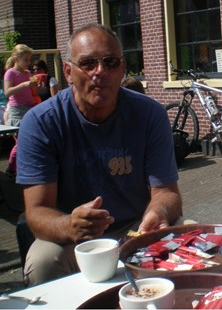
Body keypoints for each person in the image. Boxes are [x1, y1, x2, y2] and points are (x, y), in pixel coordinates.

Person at [16, 23, 184, 286]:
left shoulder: (150, 115)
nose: (100, 72)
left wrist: (158, 212)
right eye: (88, 63)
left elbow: (167, 191)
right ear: (68, 72)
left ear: (122, 68)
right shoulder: (41, 122)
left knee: (188, 239)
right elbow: (36, 212)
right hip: (74, 238)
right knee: (43, 261)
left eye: (110, 62)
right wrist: (69, 225)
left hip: (137, 227)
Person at [3, 44, 37, 175]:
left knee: (31, 138)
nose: (28, 63)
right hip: (17, 110)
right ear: (16, 59)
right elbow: (7, 92)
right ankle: (11, 168)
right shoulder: (10, 73)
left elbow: (31, 90)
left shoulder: (27, 73)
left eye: (29, 59)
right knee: (22, 141)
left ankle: (25, 167)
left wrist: (36, 85)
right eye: (26, 60)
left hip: (30, 107)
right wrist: (24, 84)